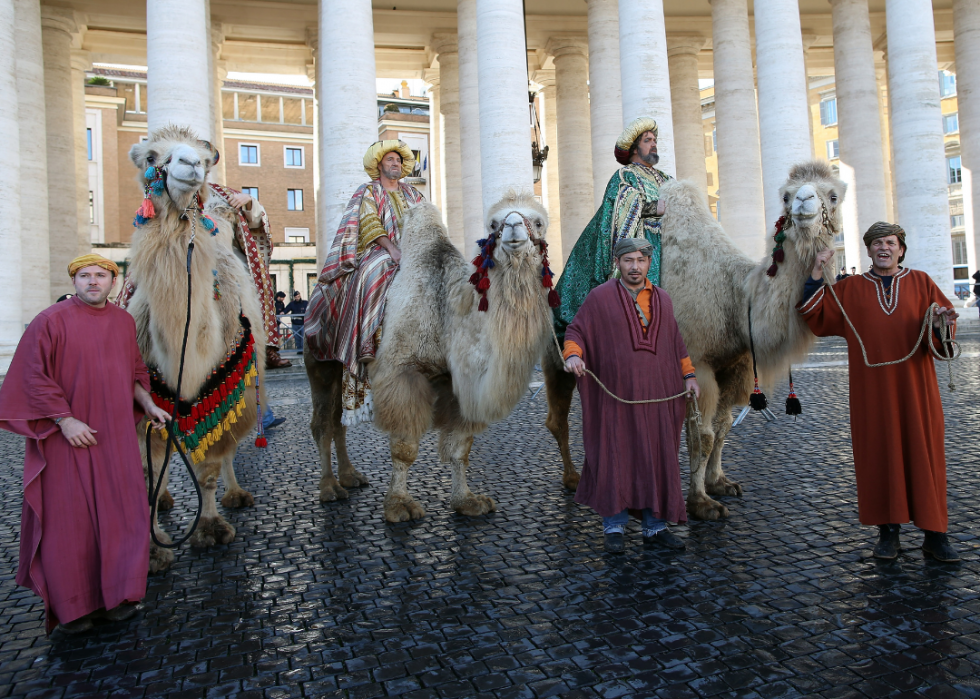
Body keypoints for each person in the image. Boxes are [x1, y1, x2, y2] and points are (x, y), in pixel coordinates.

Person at [0, 254, 171, 634]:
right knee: (69, 524)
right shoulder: (50, 321)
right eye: (84, 276)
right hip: (68, 441)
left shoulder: (124, 322)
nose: (92, 282)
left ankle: (118, 597)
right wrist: (65, 420)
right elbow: (32, 377)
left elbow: (134, 373)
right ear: (74, 281)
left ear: (113, 282)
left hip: (115, 437)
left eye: (100, 275)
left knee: (122, 516)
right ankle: (74, 607)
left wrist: (149, 403)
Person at [798, 222, 960, 562]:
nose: (883, 248)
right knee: (879, 455)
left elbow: (944, 337)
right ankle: (888, 533)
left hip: (917, 390)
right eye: (876, 243)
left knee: (925, 453)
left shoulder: (922, 282)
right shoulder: (851, 288)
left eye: (890, 243)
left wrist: (941, 323)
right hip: (871, 393)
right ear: (868, 250)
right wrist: (816, 272)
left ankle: (935, 534)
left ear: (901, 249)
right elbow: (815, 314)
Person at [563, 238, 700, 553]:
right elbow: (576, 331)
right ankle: (614, 529)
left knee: (656, 458)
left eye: (640, 260)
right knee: (616, 456)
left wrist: (689, 376)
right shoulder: (599, 299)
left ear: (649, 262)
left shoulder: (663, 299)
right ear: (618, 262)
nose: (635, 266)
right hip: (616, 400)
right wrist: (573, 355)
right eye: (628, 261)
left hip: (659, 397)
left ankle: (655, 528)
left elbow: (676, 343)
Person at [305, 140, 424, 425]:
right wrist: (392, 248)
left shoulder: (414, 194)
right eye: (390, 160)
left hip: (415, 248)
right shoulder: (368, 191)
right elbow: (370, 223)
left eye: (398, 160)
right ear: (379, 164)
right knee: (374, 272)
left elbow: (426, 221)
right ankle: (368, 340)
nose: (395, 163)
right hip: (378, 249)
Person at [117, 182, 291, 369]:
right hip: (177, 257)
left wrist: (248, 202)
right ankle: (137, 354)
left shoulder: (224, 194)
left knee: (244, 299)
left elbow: (254, 226)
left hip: (221, 261)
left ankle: (260, 350)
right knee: (144, 294)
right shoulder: (164, 189)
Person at [553, 117, 672, 340]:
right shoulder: (625, 175)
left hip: (667, 246)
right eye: (648, 140)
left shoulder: (666, 178)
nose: (654, 144)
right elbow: (619, 204)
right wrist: (653, 207)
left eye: (654, 140)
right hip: (642, 246)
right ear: (635, 148)